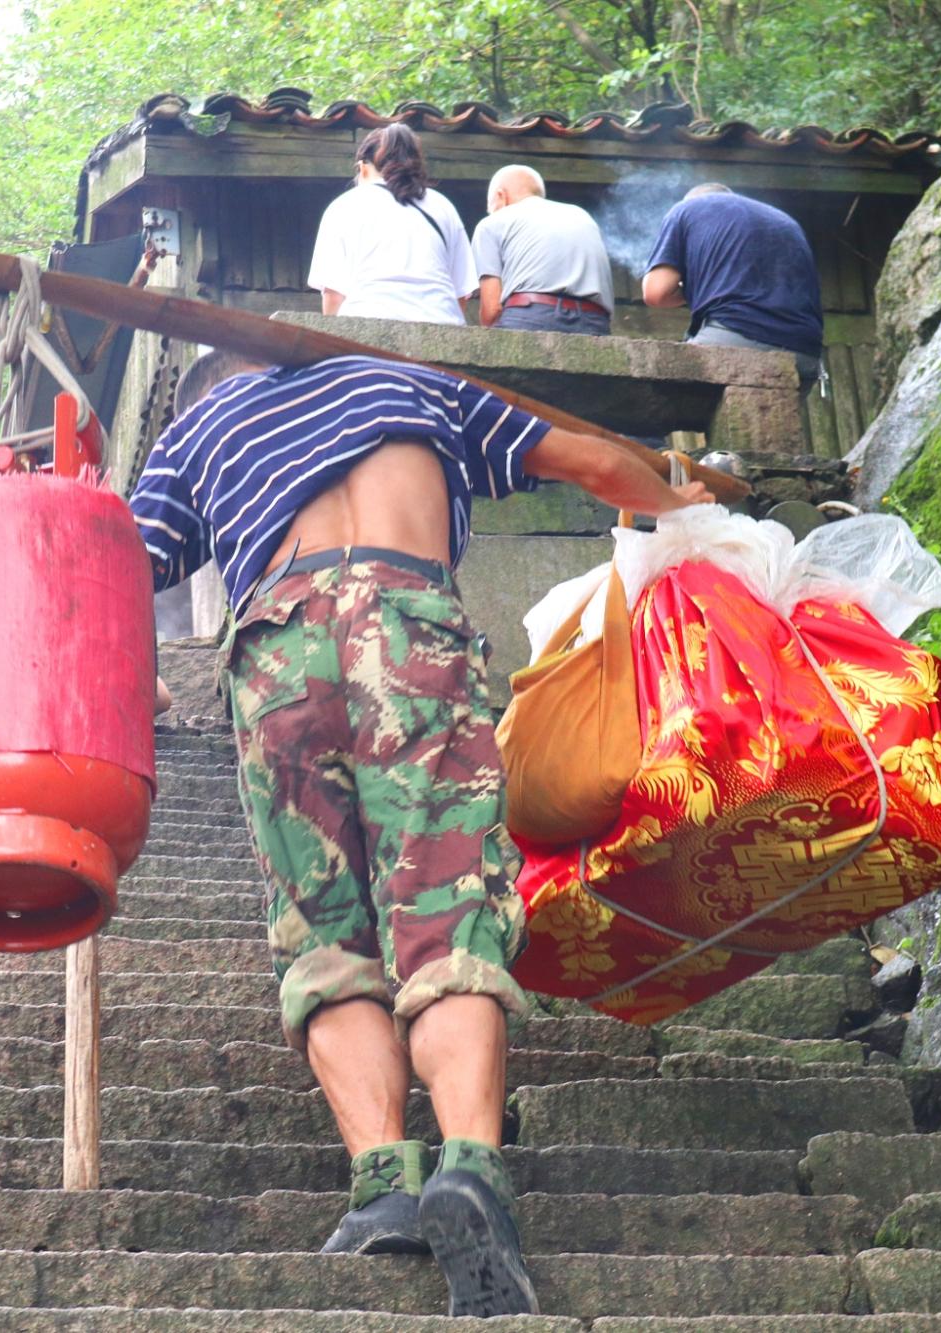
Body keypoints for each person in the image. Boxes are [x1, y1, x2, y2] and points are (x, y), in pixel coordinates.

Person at [129, 350, 710, 1317]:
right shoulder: (399, 382)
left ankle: (382, 1186)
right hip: (409, 622)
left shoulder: (195, 431)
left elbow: (111, 565)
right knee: (445, 915)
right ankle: (471, 1170)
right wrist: (678, 492)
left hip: (275, 652)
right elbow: (598, 467)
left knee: (324, 938)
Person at [642, 182, 824, 388]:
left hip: (735, 339)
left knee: (662, 400)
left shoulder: (685, 209)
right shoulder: (785, 220)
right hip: (805, 355)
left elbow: (655, 293)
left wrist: (692, 284)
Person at [308, 125, 475, 326]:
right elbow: (461, 294)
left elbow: (333, 295)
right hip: (442, 324)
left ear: (363, 167)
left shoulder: (344, 206)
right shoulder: (443, 206)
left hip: (366, 324)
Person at [472, 165, 615, 336]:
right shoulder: (582, 216)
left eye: (491, 208)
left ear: (501, 196)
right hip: (594, 322)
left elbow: (492, 310)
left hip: (530, 316)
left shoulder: (491, 223)